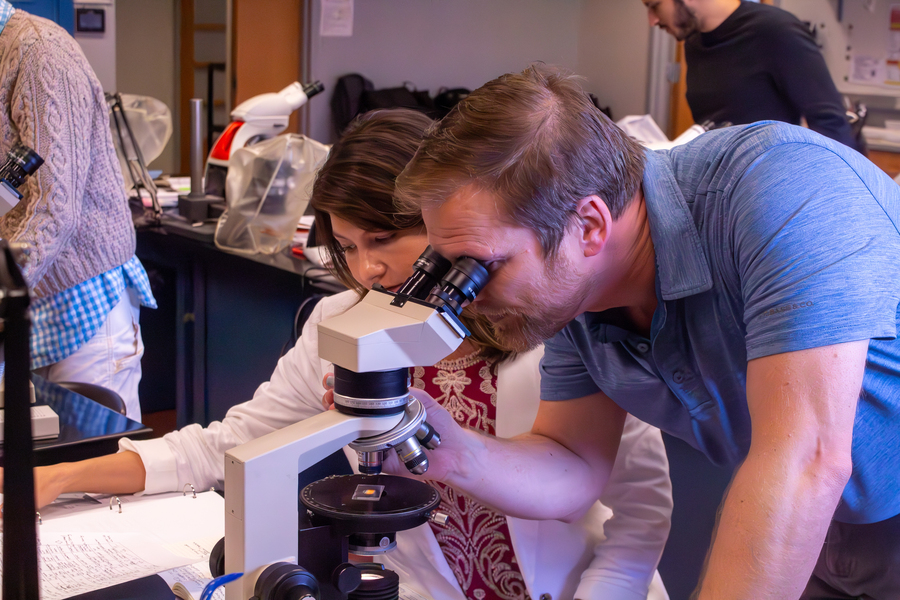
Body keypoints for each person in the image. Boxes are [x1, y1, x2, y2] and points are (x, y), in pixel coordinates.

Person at [6, 109, 673, 600]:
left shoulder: (557, 323)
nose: (371, 270)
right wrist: (61, 478)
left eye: (385, 238)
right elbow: (229, 445)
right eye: (348, 246)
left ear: (450, 225)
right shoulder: (340, 324)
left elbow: (641, 514)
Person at [391, 64, 900, 600]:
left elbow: (806, 462)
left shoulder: (785, 190)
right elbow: (573, 462)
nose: (470, 297)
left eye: (481, 266)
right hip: (821, 522)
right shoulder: (578, 287)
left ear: (587, 226)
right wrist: (451, 451)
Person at [0, 1, 156, 421]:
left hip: (81, 297)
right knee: (40, 470)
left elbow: (55, 208)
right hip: (30, 302)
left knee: (98, 468)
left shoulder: (41, 51)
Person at [641, 0, 860, 151]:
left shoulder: (775, 30)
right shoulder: (694, 42)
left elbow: (831, 123)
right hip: (723, 189)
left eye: (654, 5)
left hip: (771, 190)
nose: (652, 20)